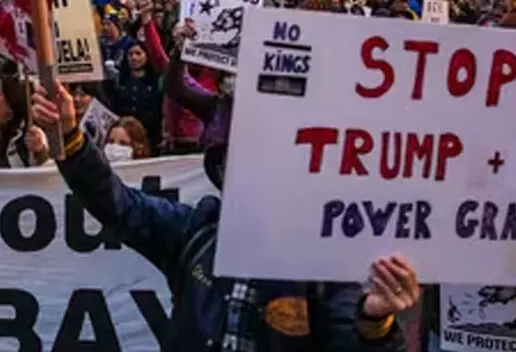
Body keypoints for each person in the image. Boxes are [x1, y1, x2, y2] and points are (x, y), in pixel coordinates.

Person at [31, 80, 420, 351]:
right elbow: (117, 204)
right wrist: (70, 136)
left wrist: (375, 321)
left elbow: (353, 341)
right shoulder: (197, 233)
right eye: (240, 164)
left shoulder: (323, 267)